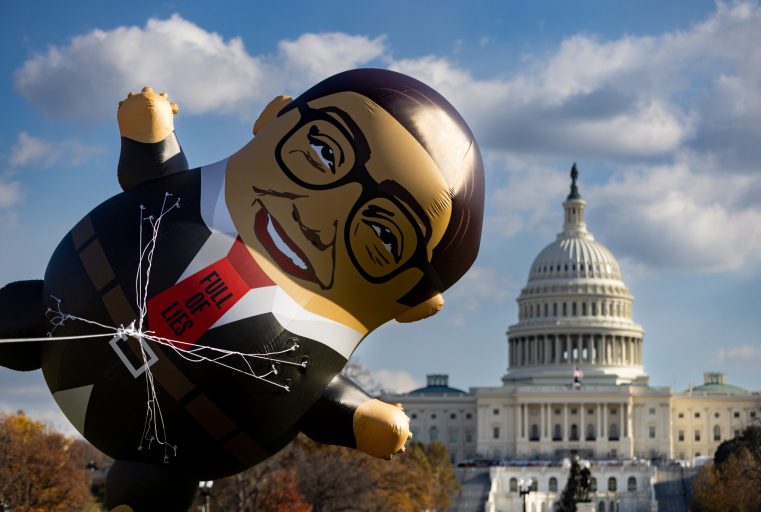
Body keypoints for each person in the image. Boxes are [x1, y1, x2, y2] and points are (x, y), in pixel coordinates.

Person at [0, 69, 484, 510]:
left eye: (383, 234)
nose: (315, 221)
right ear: (273, 118)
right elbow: (151, 176)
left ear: (414, 302)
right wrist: (151, 143)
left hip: (166, 452)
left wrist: (357, 418)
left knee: (151, 491)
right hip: (56, 307)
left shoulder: (308, 350)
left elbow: (316, 400)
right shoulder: (191, 199)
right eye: (324, 152)